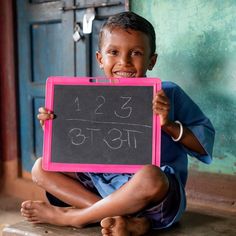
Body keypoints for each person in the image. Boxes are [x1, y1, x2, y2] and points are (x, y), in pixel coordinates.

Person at [21, 11, 215, 236]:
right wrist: (56, 130)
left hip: (151, 194)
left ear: (152, 60)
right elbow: (78, 149)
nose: (124, 62)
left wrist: (168, 125)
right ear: (100, 58)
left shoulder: (167, 94)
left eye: (136, 53)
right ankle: (126, 218)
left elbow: (203, 146)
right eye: (113, 52)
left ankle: (76, 216)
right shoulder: (85, 98)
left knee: (151, 176)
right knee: (41, 167)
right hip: (100, 184)